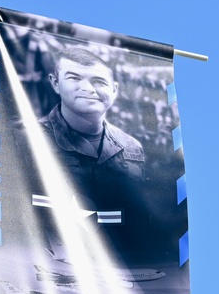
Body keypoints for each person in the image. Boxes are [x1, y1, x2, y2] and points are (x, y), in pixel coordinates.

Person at [29, 46, 145, 212]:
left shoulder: (132, 147)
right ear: (55, 83)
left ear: (114, 90)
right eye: (74, 78)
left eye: (99, 81)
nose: (88, 89)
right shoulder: (25, 137)